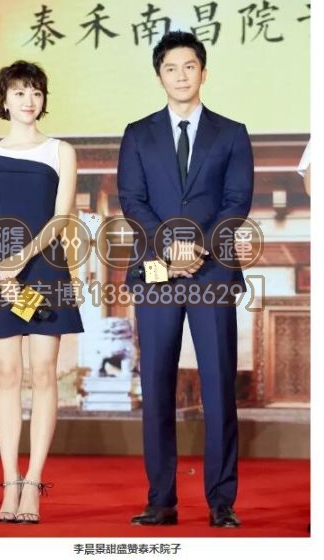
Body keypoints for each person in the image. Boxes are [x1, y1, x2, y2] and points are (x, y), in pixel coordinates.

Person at [117, 31, 254, 527]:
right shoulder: (138, 133)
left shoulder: (232, 133)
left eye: (189, 66)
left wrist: (196, 247)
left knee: (218, 386)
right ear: (160, 76)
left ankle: (221, 502)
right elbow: (132, 200)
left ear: (203, 72)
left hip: (212, 269)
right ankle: (161, 500)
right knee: (156, 387)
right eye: (171, 68)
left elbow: (237, 201)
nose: (181, 75)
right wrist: (169, 247)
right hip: (156, 273)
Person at [0, 60, 83, 524]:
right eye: (19, 92)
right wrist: (4, 269)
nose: (28, 100)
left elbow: (62, 217)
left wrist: (23, 258)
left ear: (44, 98)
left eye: (35, 92)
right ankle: (9, 483)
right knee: (7, 374)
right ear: (3, 99)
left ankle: (33, 483)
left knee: (44, 373)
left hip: (47, 268)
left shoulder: (60, 151)